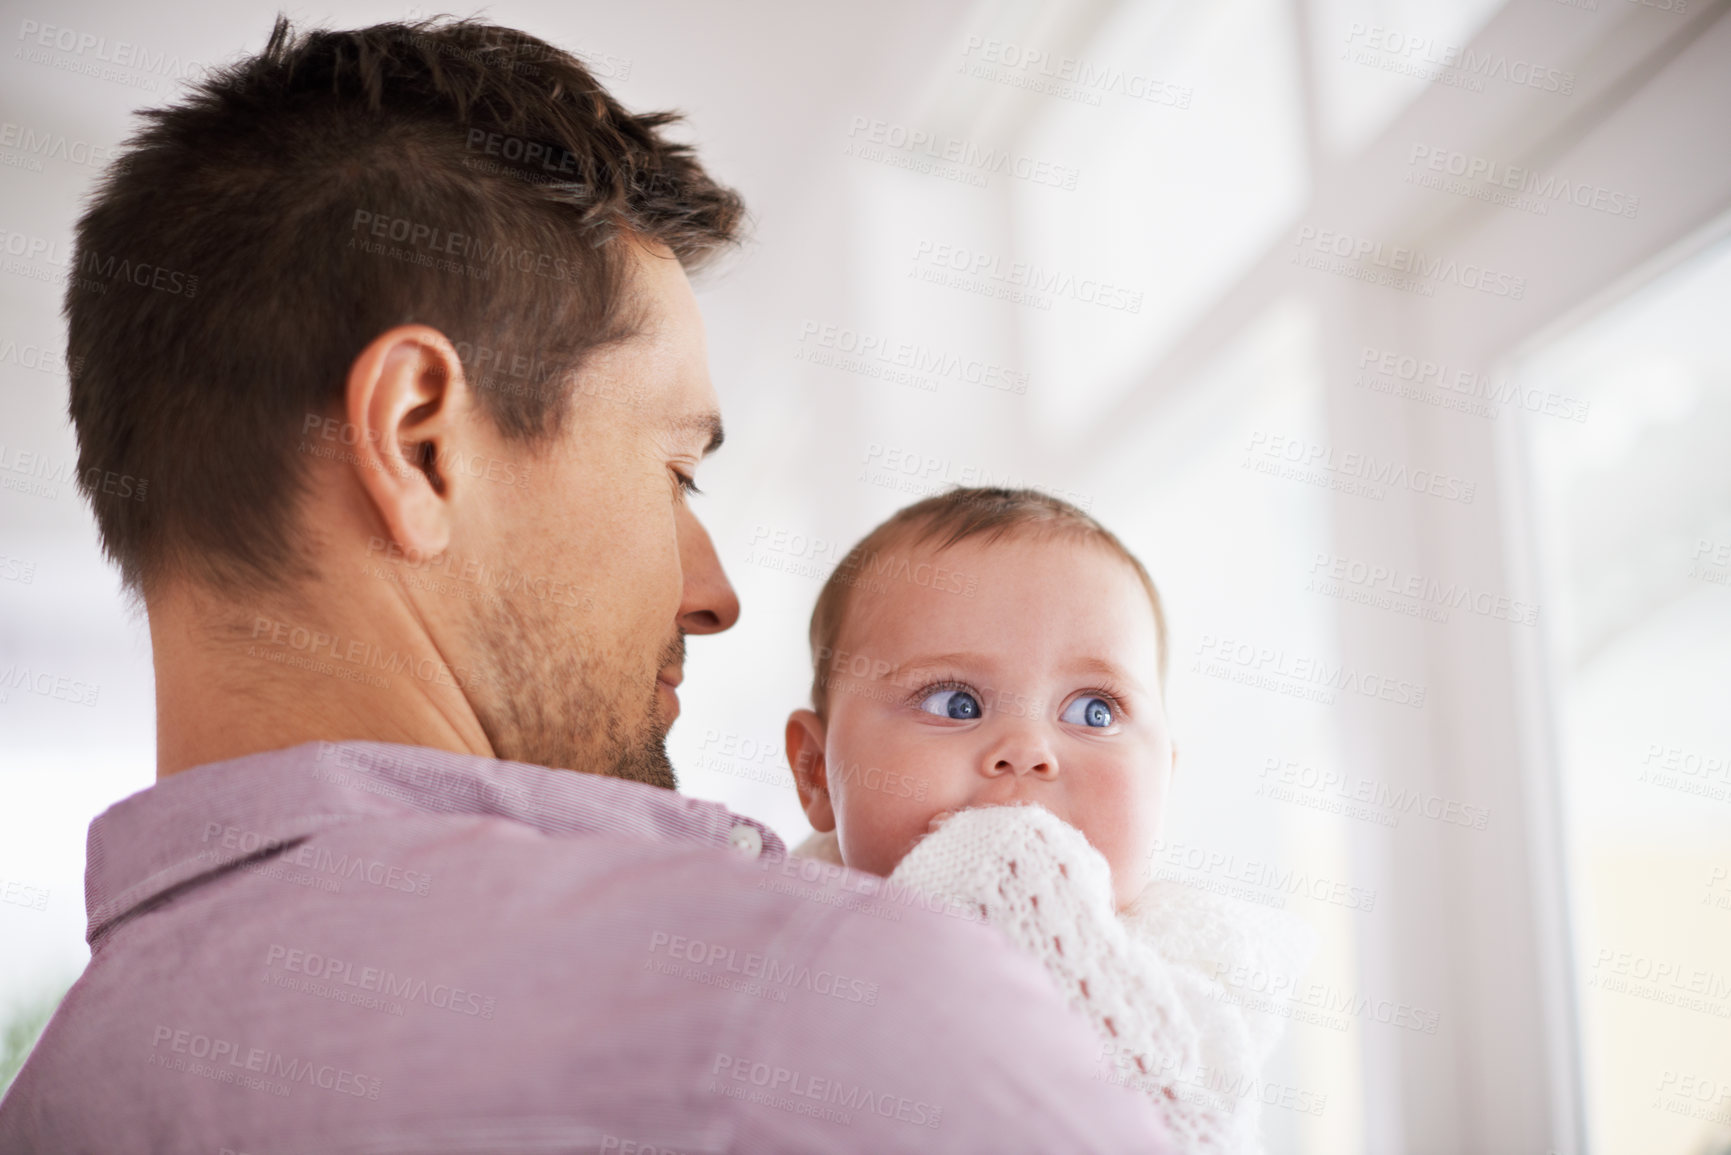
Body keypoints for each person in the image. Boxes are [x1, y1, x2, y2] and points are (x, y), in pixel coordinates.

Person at [0, 17, 1172, 1154]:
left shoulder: (62, 1093)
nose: (714, 595)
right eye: (674, 474)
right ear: (419, 444)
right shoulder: (820, 1004)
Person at [784, 488, 1312, 1153]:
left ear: (1164, 783)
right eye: (953, 701)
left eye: (1094, 710)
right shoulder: (771, 962)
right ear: (814, 774)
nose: (1028, 749)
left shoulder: (1200, 985)